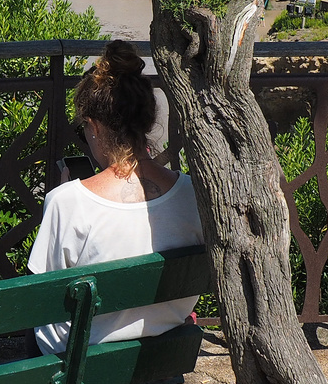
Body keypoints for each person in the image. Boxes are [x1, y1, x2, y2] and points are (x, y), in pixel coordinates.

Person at [28, 40, 204, 354]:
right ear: (148, 121)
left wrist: (65, 196)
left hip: (83, 363)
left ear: (94, 127)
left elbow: (45, 300)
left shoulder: (68, 203)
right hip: (167, 352)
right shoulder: (194, 193)